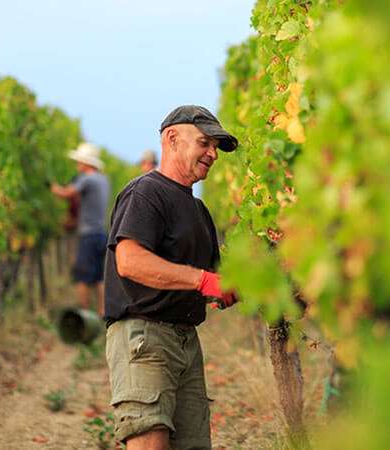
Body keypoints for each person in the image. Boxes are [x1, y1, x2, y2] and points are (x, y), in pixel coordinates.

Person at [104, 105, 239, 450]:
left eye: (216, 148)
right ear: (172, 138)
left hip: (185, 341)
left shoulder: (198, 211)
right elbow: (130, 261)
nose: (212, 154)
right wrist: (203, 282)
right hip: (145, 338)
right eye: (205, 142)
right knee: (150, 440)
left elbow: (213, 280)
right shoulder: (146, 193)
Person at [51, 142, 110, 316]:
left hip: (88, 235)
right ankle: (102, 312)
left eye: (79, 161)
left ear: (86, 162)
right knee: (99, 276)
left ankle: (83, 316)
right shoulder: (103, 179)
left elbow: (67, 193)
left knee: (82, 275)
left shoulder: (87, 179)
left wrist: (53, 188)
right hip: (101, 234)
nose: (77, 165)